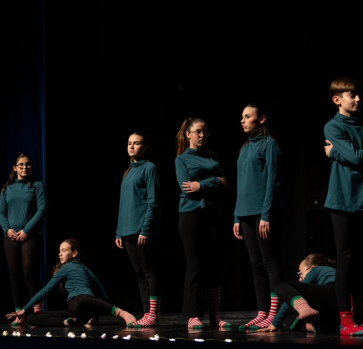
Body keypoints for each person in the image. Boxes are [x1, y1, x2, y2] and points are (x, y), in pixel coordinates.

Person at [323, 76, 363, 336]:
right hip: (342, 202)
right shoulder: (332, 127)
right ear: (337, 100)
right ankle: (345, 319)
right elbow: (357, 158)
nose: (358, 99)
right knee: (346, 259)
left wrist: (336, 153)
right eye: (352, 95)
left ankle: (357, 316)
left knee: (361, 262)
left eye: (359, 95)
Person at [175, 117, 230, 329]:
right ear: (188, 134)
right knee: (195, 265)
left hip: (212, 214)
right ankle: (193, 315)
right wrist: (213, 182)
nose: (202, 135)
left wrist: (203, 184)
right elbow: (187, 188)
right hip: (191, 215)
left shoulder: (212, 158)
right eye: (198, 131)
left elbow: (224, 185)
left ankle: (215, 316)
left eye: (205, 131)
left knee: (213, 266)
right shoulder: (181, 159)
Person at [233, 102, 284, 330]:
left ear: (261, 119)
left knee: (270, 262)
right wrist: (237, 216)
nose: (243, 121)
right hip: (245, 213)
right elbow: (241, 184)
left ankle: (274, 313)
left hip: (263, 213)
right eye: (242, 117)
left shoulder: (269, 144)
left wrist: (267, 214)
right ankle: (262, 311)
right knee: (256, 265)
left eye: (247, 116)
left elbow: (273, 181)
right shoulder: (245, 148)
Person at [6, 238, 136, 327]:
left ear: (74, 253)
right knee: (32, 317)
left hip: (81, 302)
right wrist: (94, 316)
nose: (60, 254)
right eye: (59, 251)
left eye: (64, 251)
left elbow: (45, 290)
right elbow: (102, 294)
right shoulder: (83, 268)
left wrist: (24, 309)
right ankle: (66, 322)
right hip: (76, 312)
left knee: (81, 299)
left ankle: (121, 312)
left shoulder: (67, 267)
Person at [256, 253, 363, 334]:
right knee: (290, 318)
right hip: (337, 308)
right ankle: (321, 326)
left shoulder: (316, 270)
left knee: (281, 287)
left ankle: (308, 315)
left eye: (300, 273)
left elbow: (288, 302)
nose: (300, 279)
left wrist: (275, 323)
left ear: (311, 268)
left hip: (331, 293)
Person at [115, 131, 162, 327]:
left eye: (136, 143)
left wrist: (145, 229)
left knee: (149, 271)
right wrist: (119, 231)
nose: (132, 146)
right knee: (139, 273)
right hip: (127, 230)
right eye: (129, 143)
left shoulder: (149, 168)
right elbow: (123, 204)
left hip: (141, 229)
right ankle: (146, 314)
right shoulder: (128, 172)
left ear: (146, 147)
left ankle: (153, 314)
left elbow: (153, 201)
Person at [0, 153, 48, 326]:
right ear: (15, 168)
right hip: (11, 236)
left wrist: (26, 230)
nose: (24, 167)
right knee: (14, 274)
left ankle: (39, 313)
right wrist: (7, 230)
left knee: (29, 273)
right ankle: (20, 313)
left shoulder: (37, 185)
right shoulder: (7, 188)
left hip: (30, 236)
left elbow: (42, 210)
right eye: (21, 165)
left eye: (27, 164)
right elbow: (0, 213)